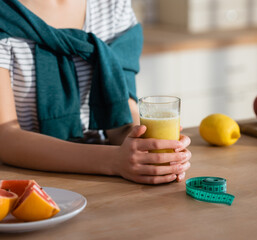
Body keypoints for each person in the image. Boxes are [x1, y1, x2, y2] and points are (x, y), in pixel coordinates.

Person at [0, 0, 191, 184]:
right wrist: (114, 161)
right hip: (25, 179)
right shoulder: (5, 14)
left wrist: (145, 148)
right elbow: (5, 137)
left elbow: (120, 118)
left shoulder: (112, 5)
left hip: (103, 179)